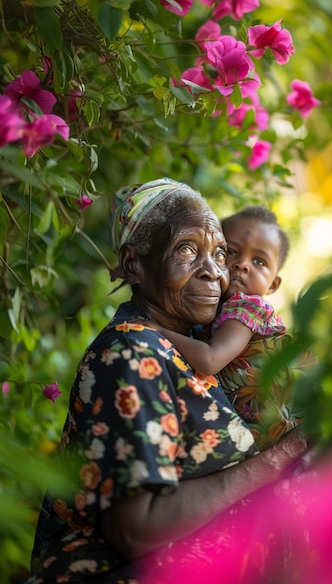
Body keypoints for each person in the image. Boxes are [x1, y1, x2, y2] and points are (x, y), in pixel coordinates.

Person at [24, 178, 312, 584]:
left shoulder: (187, 349)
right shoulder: (132, 351)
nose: (216, 272)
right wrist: (273, 462)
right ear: (134, 264)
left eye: (218, 253)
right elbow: (137, 531)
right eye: (188, 250)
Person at [148, 206, 305, 450]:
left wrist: (158, 330)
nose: (242, 265)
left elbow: (210, 360)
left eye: (259, 261)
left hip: (274, 435)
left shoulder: (248, 308)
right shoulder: (214, 306)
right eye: (230, 252)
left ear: (273, 284)